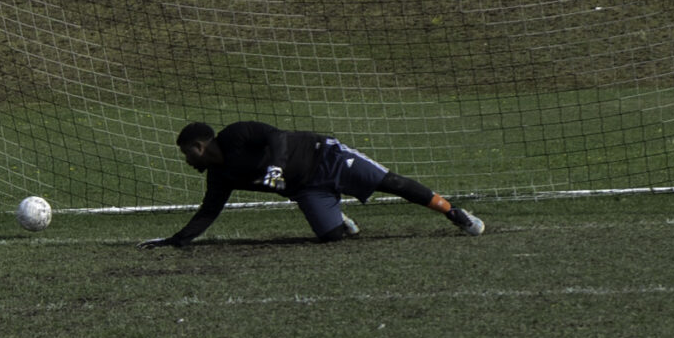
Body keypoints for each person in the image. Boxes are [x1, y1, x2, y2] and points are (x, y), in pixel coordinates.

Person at [141, 121, 486, 248]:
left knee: (390, 182)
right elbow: (209, 211)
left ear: (199, 146)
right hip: (308, 188)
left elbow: (278, 136)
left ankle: (453, 212)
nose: (187, 160)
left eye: (187, 153)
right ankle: (338, 216)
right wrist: (175, 240)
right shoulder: (219, 176)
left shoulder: (235, 134)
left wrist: (276, 167)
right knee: (331, 237)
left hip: (327, 157)